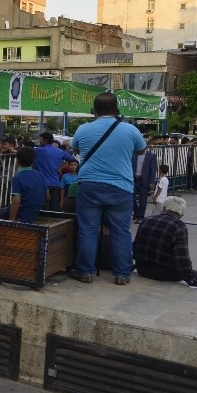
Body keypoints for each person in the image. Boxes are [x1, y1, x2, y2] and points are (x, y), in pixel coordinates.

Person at [70, 93, 146, 285]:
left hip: (89, 185)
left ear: (94, 111)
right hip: (121, 187)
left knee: (87, 230)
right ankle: (122, 274)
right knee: (120, 232)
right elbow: (141, 150)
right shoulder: (130, 130)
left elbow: (77, 149)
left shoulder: (83, 129)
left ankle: (85, 272)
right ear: (117, 111)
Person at [133, 197, 197, 287]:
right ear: (181, 215)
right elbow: (182, 259)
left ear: (164, 208)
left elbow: (135, 246)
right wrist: (193, 281)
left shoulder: (146, 220)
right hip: (163, 272)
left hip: (142, 269)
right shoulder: (178, 226)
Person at [34, 133, 74, 211]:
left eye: (41, 139)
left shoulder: (38, 150)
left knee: (43, 208)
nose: (40, 141)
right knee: (54, 207)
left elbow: (25, 152)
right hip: (55, 182)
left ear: (45, 140)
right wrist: (61, 167)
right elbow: (72, 159)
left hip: (42, 183)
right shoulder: (59, 151)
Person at [6, 146, 45, 223]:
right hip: (35, 212)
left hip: (22, 214)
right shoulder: (40, 175)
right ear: (33, 161)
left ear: (17, 161)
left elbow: (16, 201)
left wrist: (11, 220)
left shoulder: (17, 178)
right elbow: (47, 197)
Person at [132, 136, 158, 224]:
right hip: (134, 179)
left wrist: (152, 181)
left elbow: (153, 169)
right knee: (130, 197)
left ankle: (141, 216)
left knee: (143, 200)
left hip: (144, 181)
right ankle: (136, 212)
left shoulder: (151, 156)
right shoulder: (134, 154)